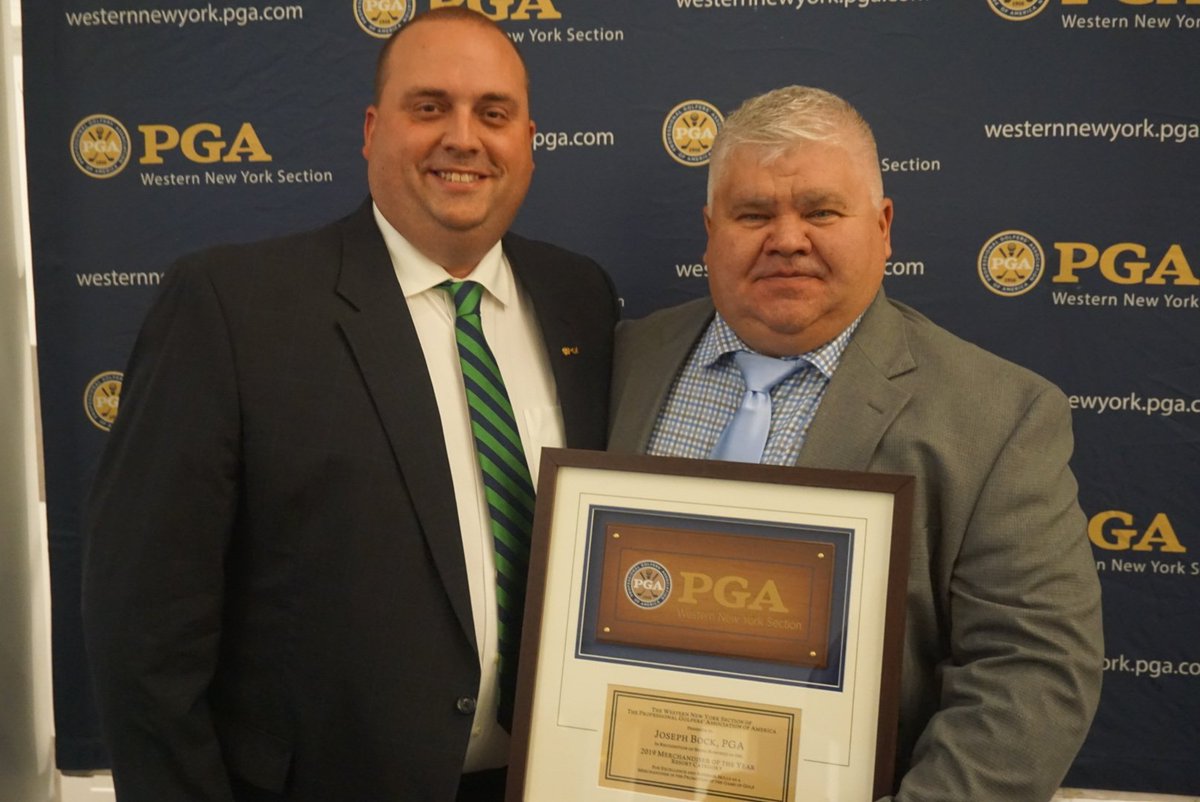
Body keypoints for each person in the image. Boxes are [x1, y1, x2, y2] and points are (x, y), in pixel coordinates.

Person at [82, 9, 617, 802]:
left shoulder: (582, 299)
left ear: (529, 143)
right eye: (429, 107)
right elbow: (144, 635)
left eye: (493, 114)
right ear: (373, 129)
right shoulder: (233, 308)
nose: (464, 138)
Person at [608, 86, 1102, 801]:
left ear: (883, 225)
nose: (786, 238)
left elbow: (1033, 673)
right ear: (710, 230)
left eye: (820, 211)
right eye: (753, 214)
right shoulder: (623, 359)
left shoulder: (1000, 417)